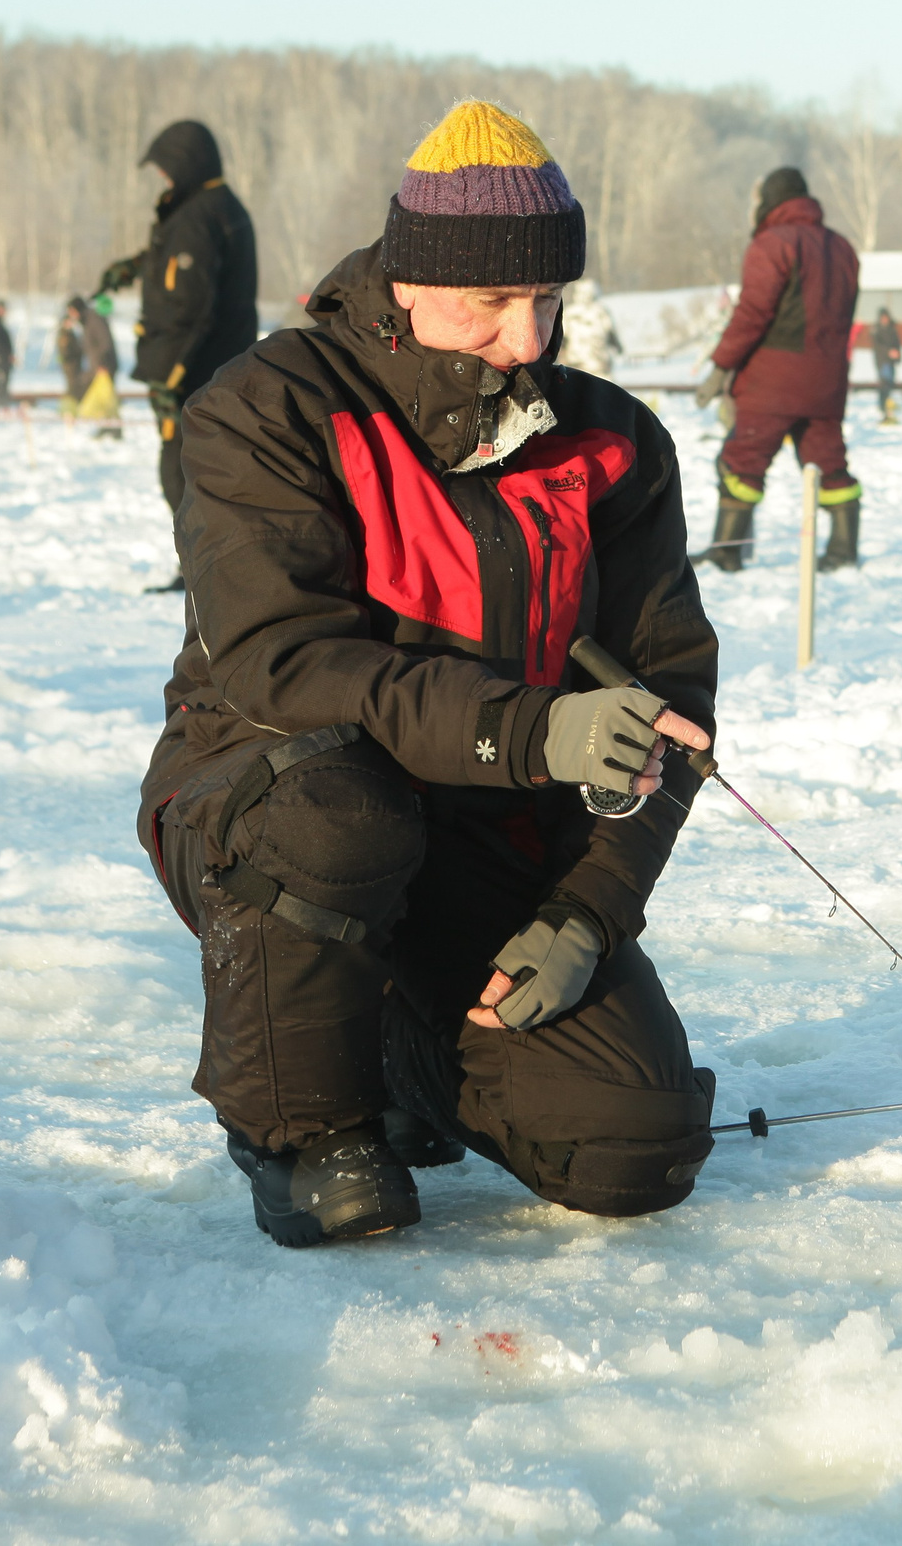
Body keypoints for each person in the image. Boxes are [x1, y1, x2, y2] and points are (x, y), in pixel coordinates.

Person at [137, 100, 722, 1248]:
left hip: (487, 840)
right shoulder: (269, 409)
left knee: (632, 1143)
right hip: (274, 792)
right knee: (339, 816)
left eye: (549, 301)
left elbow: (671, 704)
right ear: (407, 281)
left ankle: (411, 1043)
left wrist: (589, 914)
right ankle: (299, 1127)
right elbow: (282, 662)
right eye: (494, 303)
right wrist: (531, 731)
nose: (527, 338)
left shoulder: (612, 441)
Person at [99, 120, 259, 581]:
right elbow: (182, 268)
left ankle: (206, 571)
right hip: (220, 364)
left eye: (167, 170)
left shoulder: (197, 216)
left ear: (187, 166)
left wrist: (171, 376)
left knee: (182, 473)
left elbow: (192, 304)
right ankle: (207, 568)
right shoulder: (213, 208)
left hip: (195, 371)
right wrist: (139, 264)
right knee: (203, 471)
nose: (164, 180)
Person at [697, 167, 862, 572]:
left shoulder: (772, 244)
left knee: (743, 461)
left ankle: (728, 550)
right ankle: (843, 551)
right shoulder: (842, 248)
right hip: (827, 383)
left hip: (772, 383)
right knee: (829, 461)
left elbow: (753, 313)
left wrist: (721, 365)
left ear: (770, 201)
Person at [558, 279, 622, 376]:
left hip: (577, 364)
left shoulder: (570, 313)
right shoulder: (601, 312)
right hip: (598, 363)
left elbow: (562, 338)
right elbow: (611, 334)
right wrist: (618, 348)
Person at [868, 306, 902, 424]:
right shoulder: (876, 330)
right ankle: (884, 409)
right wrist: (889, 352)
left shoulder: (892, 329)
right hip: (882, 361)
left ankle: (887, 409)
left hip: (891, 362)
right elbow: (877, 347)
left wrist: (897, 355)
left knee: (889, 384)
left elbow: (897, 344)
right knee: (884, 385)